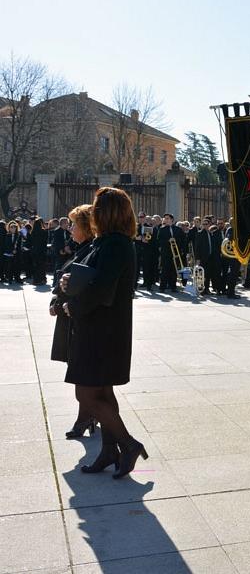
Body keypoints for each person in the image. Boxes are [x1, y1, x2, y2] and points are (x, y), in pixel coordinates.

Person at [60, 187, 147, 479]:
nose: (93, 212)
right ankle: (110, 450)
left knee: (87, 393)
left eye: (97, 207)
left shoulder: (116, 245)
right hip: (101, 329)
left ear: (106, 211)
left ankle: (128, 444)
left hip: (103, 331)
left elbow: (101, 289)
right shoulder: (108, 243)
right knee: (102, 391)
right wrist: (72, 282)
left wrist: (74, 304)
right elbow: (93, 278)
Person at [49, 204, 95, 438]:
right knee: (78, 372)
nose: (71, 229)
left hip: (75, 316)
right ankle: (88, 415)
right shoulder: (82, 249)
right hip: (69, 316)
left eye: (75, 225)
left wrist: (58, 305)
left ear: (86, 228)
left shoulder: (89, 250)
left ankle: (85, 417)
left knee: (81, 375)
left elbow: (77, 284)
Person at [157, 213, 184, 292]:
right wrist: (168, 240)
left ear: (172, 220)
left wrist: (176, 240)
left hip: (175, 252)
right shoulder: (162, 229)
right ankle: (162, 287)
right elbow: (159, 241)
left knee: (174, 270)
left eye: (167, 218)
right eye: (165, 218)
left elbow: (182, 240)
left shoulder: (178, 229)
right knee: (165, 270)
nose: (165, 220)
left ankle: (173, 286)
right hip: (166, 252)